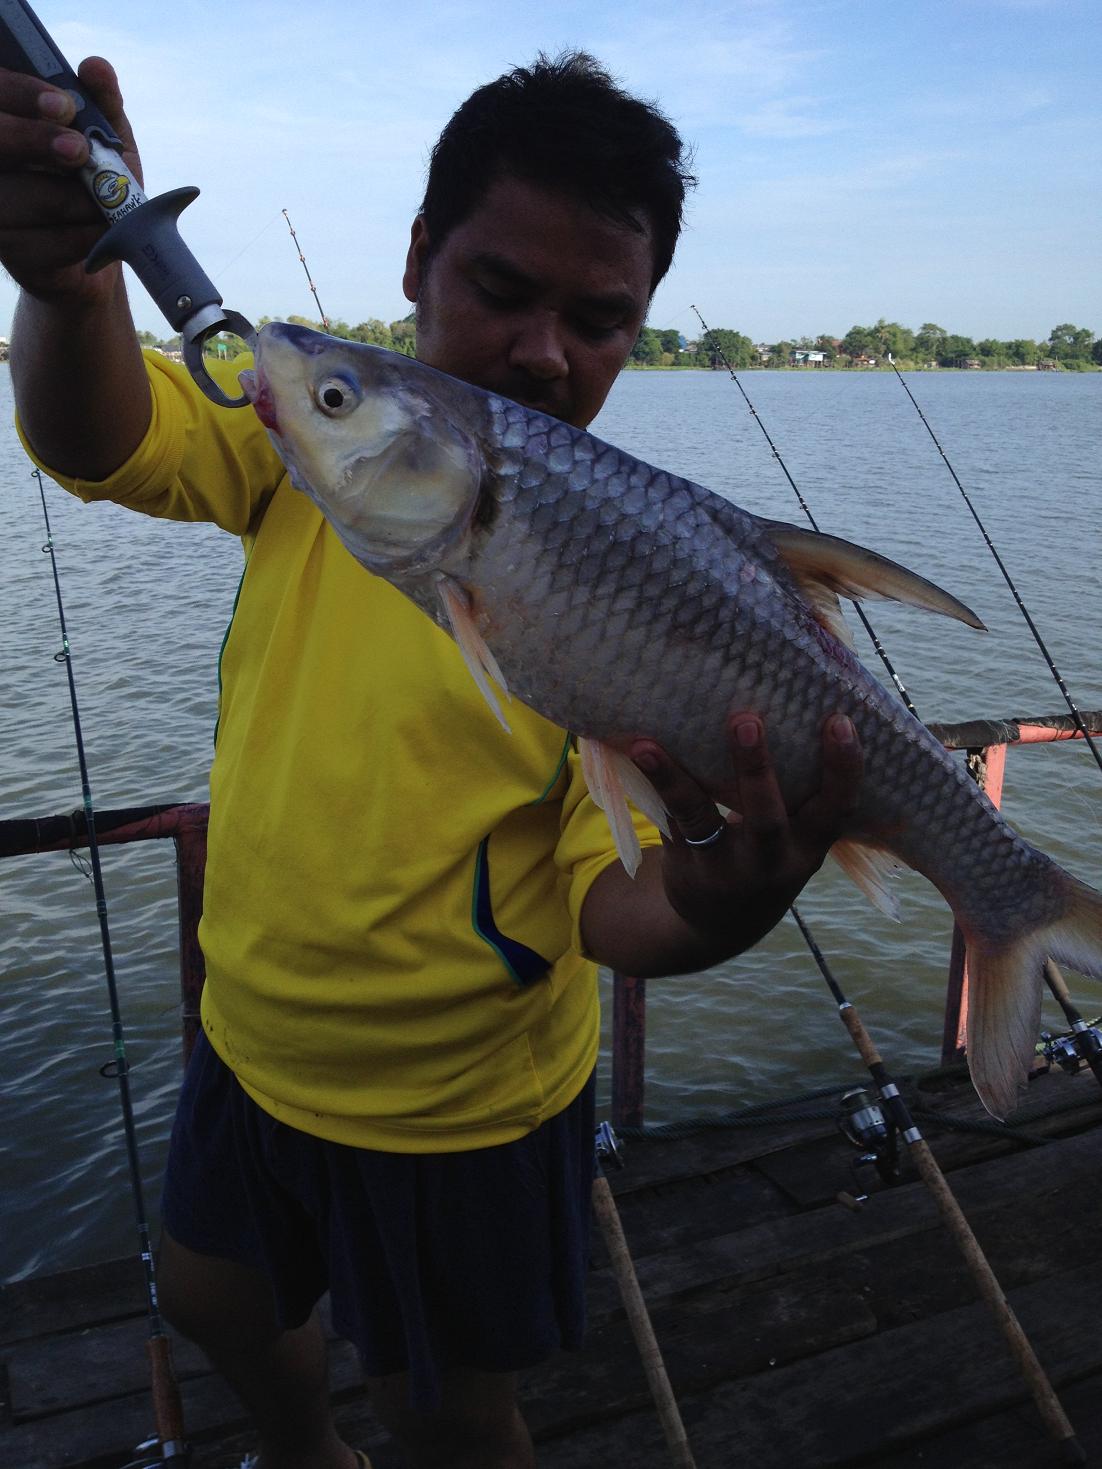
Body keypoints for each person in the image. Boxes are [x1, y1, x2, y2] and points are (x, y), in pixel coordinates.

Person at [1, 50, 862, 1469]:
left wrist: (725, 898)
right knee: (214, 1293)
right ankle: (301, 1449)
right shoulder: (306, 447)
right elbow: (94, 430)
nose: (543, 352)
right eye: (500, 289)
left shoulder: (617, 600)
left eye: (600, 321)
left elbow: (612, 897)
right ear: (417, 260)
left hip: (469, 1104)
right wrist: (67, 283)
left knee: (453, 1411)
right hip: (252, 1040)